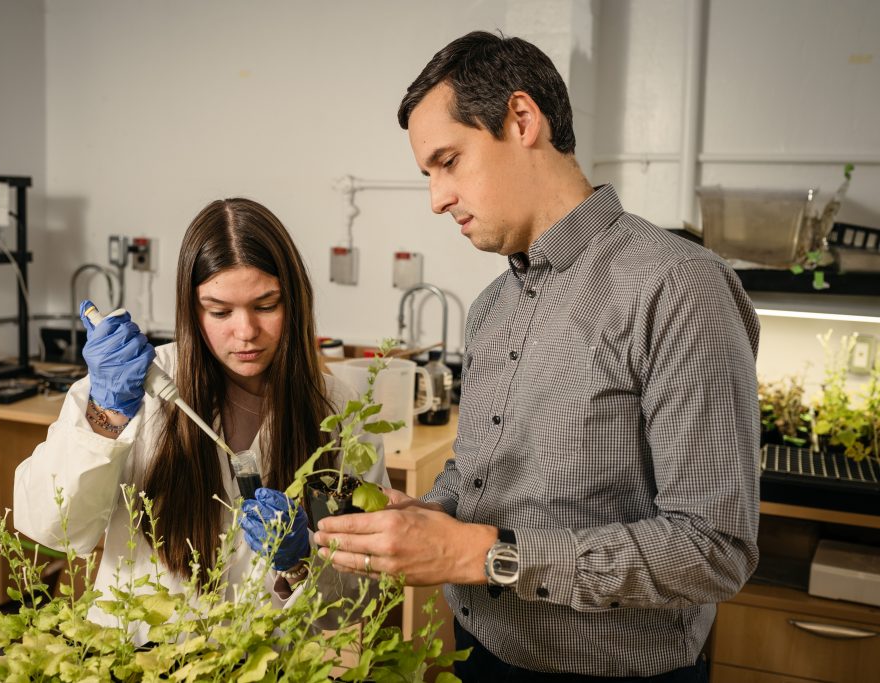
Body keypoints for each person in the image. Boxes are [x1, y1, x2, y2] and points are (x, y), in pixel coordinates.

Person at [313, 31, 760, 682]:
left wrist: (484, 555)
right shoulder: (493, 304)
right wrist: (427, 514)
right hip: (479, 653)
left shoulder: (678, 285)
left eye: (448, 161)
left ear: (522, 119)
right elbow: (475, 474)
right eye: (427, 174)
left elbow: (712, 547)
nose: (436, 198)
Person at [14, 197, 388, 643]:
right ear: (192, 311)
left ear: (296, 301)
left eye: (266, 305)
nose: (246, 331)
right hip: (136, 661)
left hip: (263, 666)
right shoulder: (137, 388)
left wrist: (301, 561)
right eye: (220, 311)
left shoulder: (336, 410)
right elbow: (52, 527)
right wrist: (108, 415)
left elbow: (361, 597)